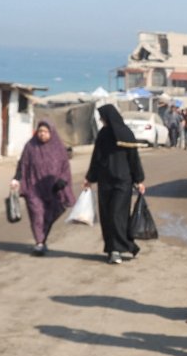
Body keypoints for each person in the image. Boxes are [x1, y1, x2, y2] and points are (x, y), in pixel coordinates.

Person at [85, 104, 146, 265]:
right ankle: (119, 247)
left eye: (102, 117)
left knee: (116, 215)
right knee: (107, 217)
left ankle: (117, 249)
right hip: (105, 182)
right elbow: (96, 158)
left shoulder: (126, 134)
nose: (101, 120)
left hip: (123, 183)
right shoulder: (103, 135)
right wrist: (90, 178)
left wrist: (139, 180)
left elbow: (134, 159)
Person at [9, 119, 74, 256]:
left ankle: (43, 238)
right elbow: (23, 164)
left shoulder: (58, 148)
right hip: (33, 187)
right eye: (40, 131)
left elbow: (65, 167)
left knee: (49, 215)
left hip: (53, 188)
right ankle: (39, 243)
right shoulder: (30, 146)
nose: (42, 134)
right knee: (37, 214)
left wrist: (62, 181)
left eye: (45, 131)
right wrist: (16, 179)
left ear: (51, 133)